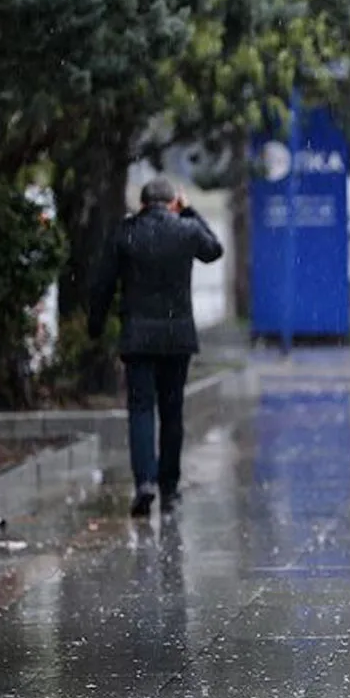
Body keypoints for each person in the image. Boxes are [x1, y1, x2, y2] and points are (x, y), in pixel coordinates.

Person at [89, 177, 224, 517]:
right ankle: (170, 487)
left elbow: (103, 283)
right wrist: (190, 211)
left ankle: (145, 483)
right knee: (172, 411)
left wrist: (95, 325)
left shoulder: (126, 233)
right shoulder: (187, 230)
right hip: (177, 337)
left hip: (138, 337)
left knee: (140, 409)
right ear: (173, 202)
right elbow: (214, 250)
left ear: (143, 203)